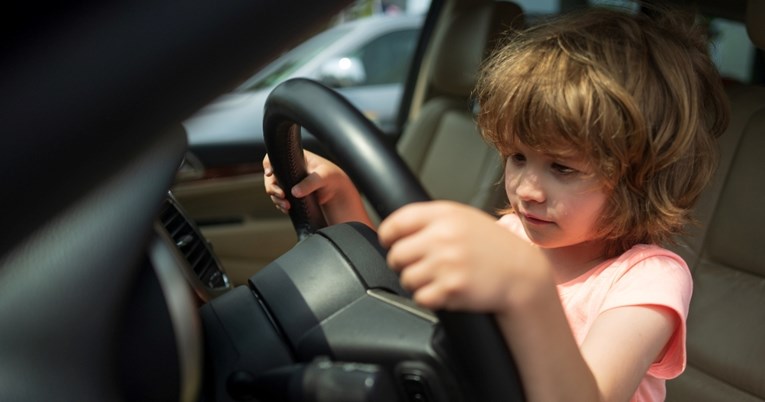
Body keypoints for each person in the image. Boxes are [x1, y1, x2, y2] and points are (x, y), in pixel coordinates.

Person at [263, 6, 729, 402]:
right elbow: (399, 308)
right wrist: (341, 196)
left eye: (562, 168)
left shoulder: (648, 280)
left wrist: (528, 289)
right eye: (516, 157)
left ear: (642, 179)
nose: (526, 188)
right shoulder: (514, 233)